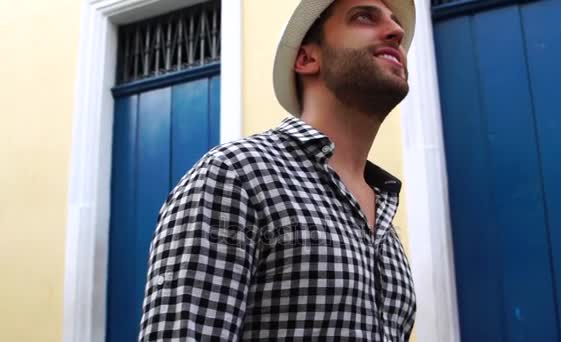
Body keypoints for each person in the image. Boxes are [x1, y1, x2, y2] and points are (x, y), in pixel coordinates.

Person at [139, 0, 417, 340]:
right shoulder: (237, 175)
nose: (397, 31)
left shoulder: (385, 219)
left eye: (394, 23)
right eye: (363, 16)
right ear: (306, 59)